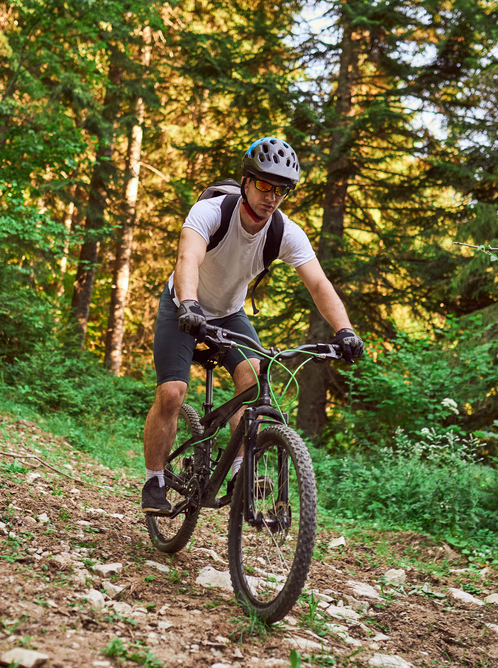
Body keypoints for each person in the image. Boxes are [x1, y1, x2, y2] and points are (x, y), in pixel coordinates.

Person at [142, 136, 364, 513]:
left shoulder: (284, 232)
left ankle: (241, 472)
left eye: (281, 190)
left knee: (254, 375)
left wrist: (345, 330)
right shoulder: (212, 212)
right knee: (173, 393)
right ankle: (154, 480)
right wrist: (190, 305)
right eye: (264, 184)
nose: (271, 197)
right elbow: (188, 258)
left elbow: (318, 283)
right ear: (246, 181)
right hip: (183, 303)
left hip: (229, 312)